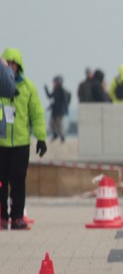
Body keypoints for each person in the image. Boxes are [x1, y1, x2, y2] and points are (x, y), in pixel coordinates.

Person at [0, 48, 48, 230]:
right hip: (1, 143)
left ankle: (18, 217)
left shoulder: (28, 87)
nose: (10, 67)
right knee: (1, 182)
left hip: (21, 143)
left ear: (19, 66)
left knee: (18, 181)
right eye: (7, 64)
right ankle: (2, 217)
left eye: (13, 64)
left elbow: (37, 114)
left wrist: (41, 138)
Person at [44, 75, 71, 143]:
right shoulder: (55, 90)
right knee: (52, 123)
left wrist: (62, 108)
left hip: (60, 111)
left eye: (55, 82)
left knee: (59, 124)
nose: (54, 84)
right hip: (55, 110)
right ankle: (55, 135)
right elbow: (50, 96)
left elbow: (64, 101)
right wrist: (46, 90)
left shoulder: (62, 91)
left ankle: (62, 137)